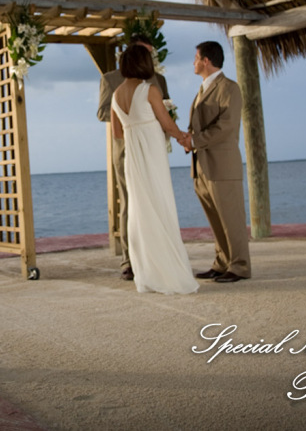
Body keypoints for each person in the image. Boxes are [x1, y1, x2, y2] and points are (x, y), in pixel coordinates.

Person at [110, 45, 198, 295]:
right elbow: (167, 123)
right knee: (161, 204)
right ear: (144, 64)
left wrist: (135, 128)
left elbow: (117, 132)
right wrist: (183, 137)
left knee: (139, 209)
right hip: (151, 154)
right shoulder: (149, 89)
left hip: (133, 157)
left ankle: (146, 273)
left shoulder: (116, 94)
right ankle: (169, 271)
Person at [96, 35, 169, 281]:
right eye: (147, 52)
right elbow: (102, 112)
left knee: (157, 199)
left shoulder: (158, 80)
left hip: (153, 149)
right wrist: (131, 115)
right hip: (127, 150)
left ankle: (157, 253)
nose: (151, 58)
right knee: (130, 203)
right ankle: (130, 260)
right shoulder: (111, 79)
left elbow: (164, 111)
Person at [185, 41, 250, 283]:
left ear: (206, 61)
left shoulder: (229, 88)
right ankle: (222, 262)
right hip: (201, 165)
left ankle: (240, 265)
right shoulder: (202, 88)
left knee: (231, 219)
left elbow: (226, 127)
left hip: (222, 165)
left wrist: (194, 140)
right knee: (215, 219)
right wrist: (189, 139)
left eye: (195, 57)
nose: (193, 62)